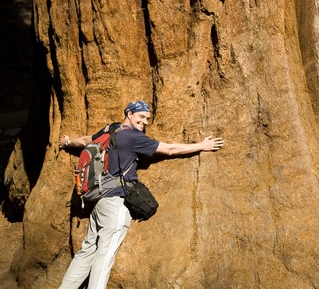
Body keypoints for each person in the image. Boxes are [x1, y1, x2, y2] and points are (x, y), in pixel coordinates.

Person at [57, 101, 224, 289]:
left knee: (87, 251)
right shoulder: (133, 137)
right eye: (141, 116)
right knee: (105, 256)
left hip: (98, 201)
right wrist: (201, 145)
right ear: (129, 113)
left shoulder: (110, 130)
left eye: (147, 119)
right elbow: (169, 149)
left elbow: (87, 141)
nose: (144, 122)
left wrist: (67, 142)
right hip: (116, 203)